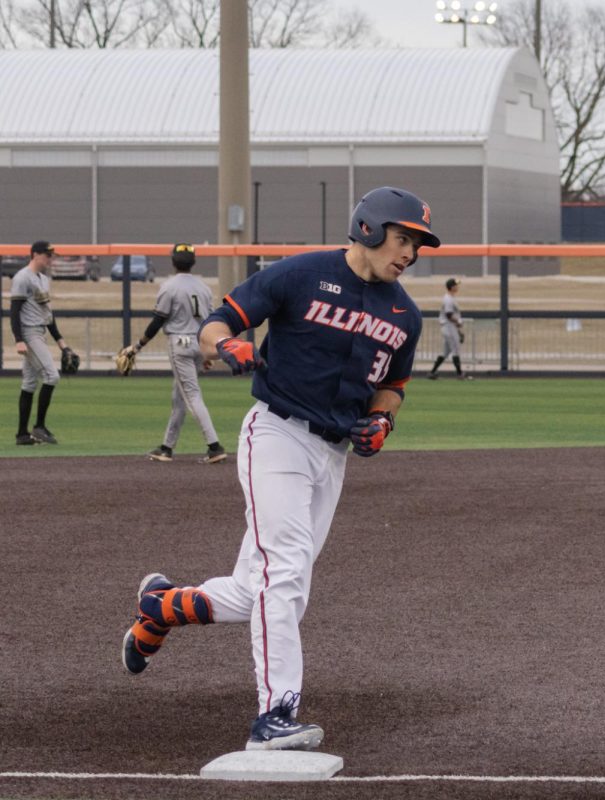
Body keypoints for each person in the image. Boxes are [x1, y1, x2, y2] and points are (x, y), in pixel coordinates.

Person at [120, 187, 436, 751]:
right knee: (285, 575)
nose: (410, 252)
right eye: (404, 237)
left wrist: (382, 422)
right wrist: (230, 348)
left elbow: (394, 386)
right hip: (277, 435)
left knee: (259, 589)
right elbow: (218, 324)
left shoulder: (404, 314)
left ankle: (159, 608)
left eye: (417, 244)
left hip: (332, 453)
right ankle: (274, 715)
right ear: (368, 227)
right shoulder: (300, 275)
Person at [123, 243, 227, 464]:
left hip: (179, 344)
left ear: (173, 261)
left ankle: (214, 446)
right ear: (194, 261)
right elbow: (210, 322)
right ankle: (166, 447)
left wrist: (137, 346)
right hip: (199, 343)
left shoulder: (169, 287)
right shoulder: (204, 287)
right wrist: (207, 354)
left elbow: (158, 321)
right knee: (179, 398)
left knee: (192, 396)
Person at [10, 240, 72, 446]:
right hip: (29, 333)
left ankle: (22, 435)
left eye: (51, 255)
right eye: (47, 254)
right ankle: (39, 427)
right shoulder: (22, 278)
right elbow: (14, 312)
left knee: (29, 383)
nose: (50, 258)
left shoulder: (44, 279)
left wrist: (62, 343)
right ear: (35, 254)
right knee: (51, 376)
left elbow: (48, 315)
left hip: (40, 331)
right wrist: (18, 340)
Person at [428, 276, 467, 379]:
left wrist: (458, 330)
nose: (457, 287)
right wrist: (458, 322)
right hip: (448, 326)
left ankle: (432, 372)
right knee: (456, 349)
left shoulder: (450, 298)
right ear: (451, 287)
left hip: (450, 327)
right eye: (456, 285)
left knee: (445, 352)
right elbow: (449, 314)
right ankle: (460, 374)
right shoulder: (448, 299)